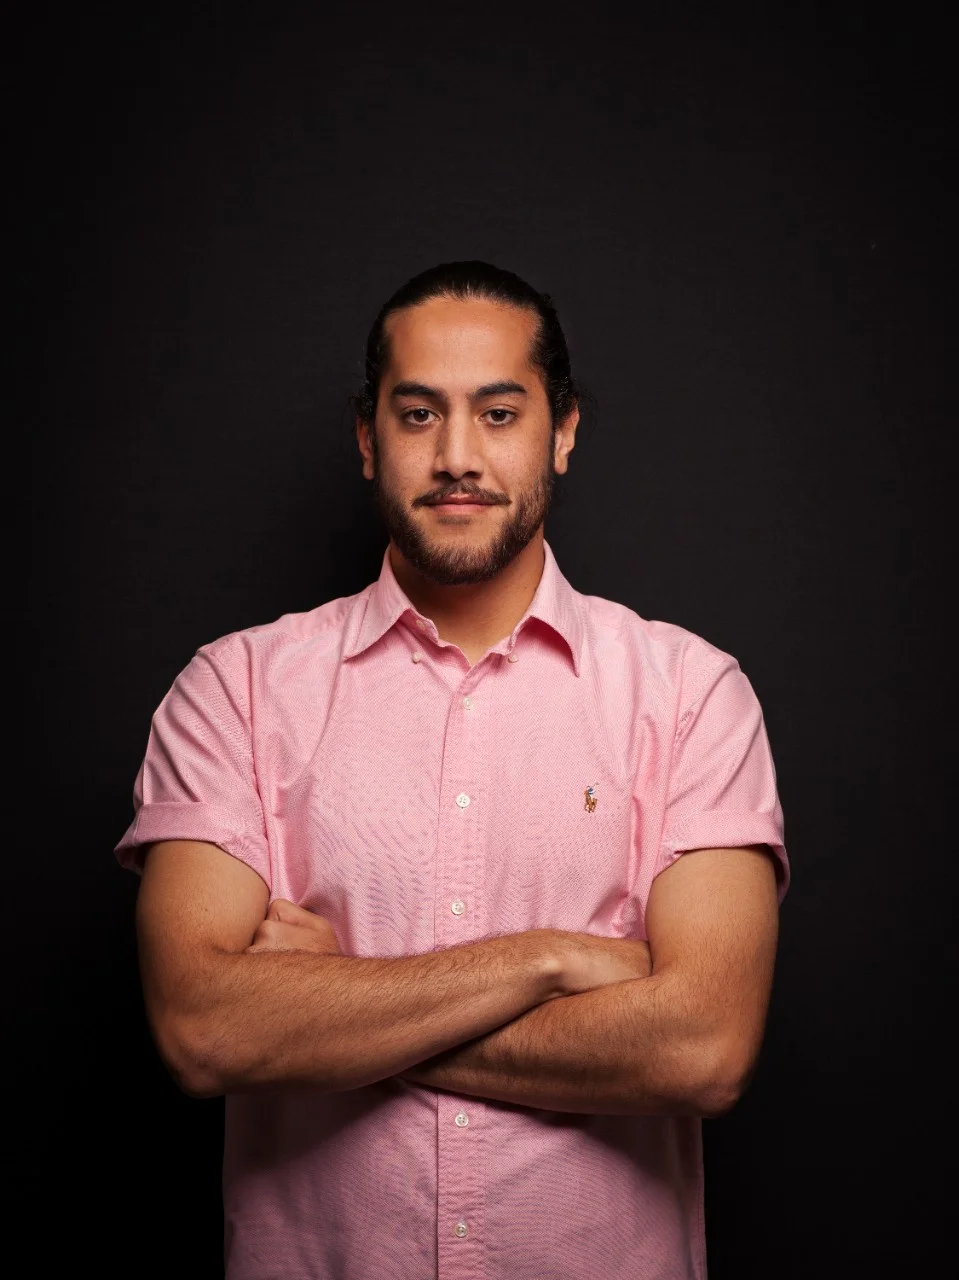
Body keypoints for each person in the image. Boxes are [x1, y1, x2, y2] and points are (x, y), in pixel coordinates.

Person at [116, 260, 789, 1280]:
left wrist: (333, 1004)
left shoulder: (688, 692)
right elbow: (203, 1029)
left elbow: (701, 1046)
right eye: (418, 412)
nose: (457, 455)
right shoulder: (237, 688)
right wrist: (551, 961)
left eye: (499, 411)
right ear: (365, 435)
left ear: (561, 431)